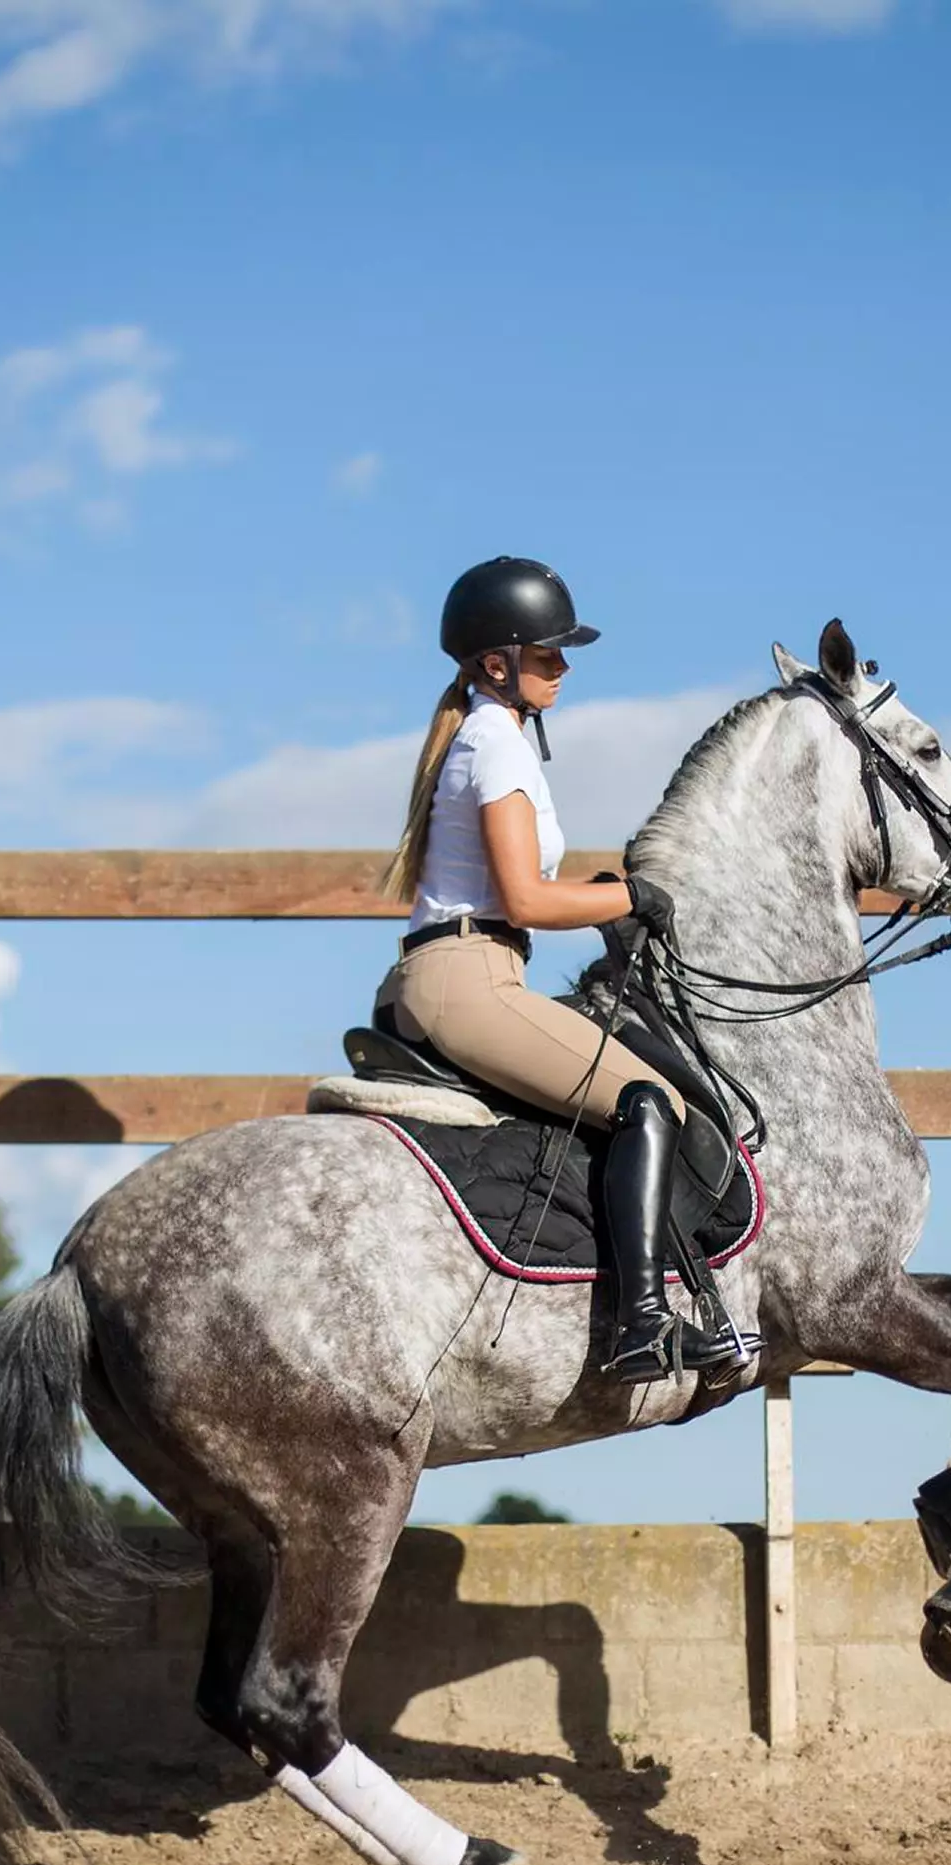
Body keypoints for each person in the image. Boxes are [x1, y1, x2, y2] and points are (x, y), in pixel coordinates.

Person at [376, 555, 728, 1384]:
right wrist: (629, 898)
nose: (562, 668)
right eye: (546, 654)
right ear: (496, 663)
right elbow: (526, 901)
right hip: (468, 979)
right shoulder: (494, 744)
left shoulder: (483, 735)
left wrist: (608, 896)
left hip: (467, 968)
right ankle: (640, 1327)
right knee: (648, 1101)